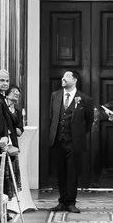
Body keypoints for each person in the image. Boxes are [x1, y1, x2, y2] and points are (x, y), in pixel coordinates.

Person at [43, 68, 96, 211]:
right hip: (57, 140)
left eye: (67, 76)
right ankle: (62, 201)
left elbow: (89, 121)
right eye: (63, 76)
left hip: (74, 142)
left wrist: (77, 134)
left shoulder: (85, 99)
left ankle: (71, 202)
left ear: (75, 80)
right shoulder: (55, 95)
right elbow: (52, 117)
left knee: (72, 172)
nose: (63, 78)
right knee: (60, 171)